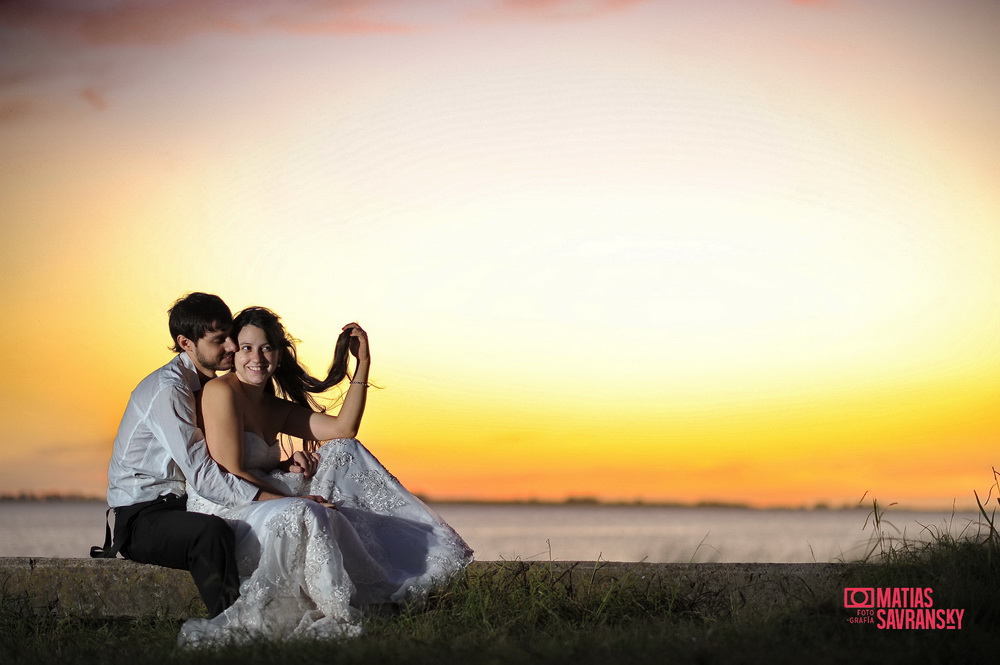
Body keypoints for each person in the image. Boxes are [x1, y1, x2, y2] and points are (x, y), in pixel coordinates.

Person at [178, 306, 472, 646]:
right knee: (306, 511)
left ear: (278, 354)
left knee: (343, 450)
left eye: (266, 348)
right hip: (228, 505)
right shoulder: (222, 391)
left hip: (262, 495)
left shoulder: (273, 406)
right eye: (246, 348)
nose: (256, 358)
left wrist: (362, 365)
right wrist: (295, 495)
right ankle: (335, 607)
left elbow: (343, 428)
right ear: (233, 351)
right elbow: (232, 472)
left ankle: (409, 553)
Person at [97, 293, 318, 618]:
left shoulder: (214, 388)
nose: (231, 346)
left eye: (230, 336)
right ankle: (231, 624)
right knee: (211, 533)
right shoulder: (169, 390)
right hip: (143, 516)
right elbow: (203, 475)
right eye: (219, 340)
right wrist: (277, 497)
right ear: (186, 343)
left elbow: (226, 459)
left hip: (184, 505)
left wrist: (282, 468)